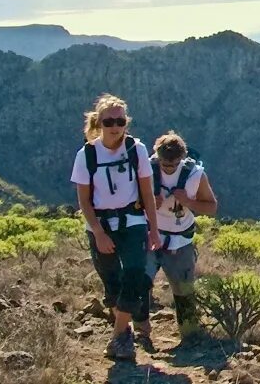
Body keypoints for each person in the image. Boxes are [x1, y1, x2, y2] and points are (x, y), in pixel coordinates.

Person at [71, 93, 161, 360]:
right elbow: (84, 200)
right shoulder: (86, 155)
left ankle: (119, 336)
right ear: (99, 123)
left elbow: (147, 193)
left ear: (126, 122)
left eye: (120, 121)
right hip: (101, 224)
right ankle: (124, 333)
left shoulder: (137, 151)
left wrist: (153, 229)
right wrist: (98, 232)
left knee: (134, 274)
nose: (115, 127)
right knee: (112, 283)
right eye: (109, 122)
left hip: (132, 222)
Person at [134, 132, 218, 349]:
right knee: (140, 284)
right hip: (150, 235)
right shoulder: (146, 170)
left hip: (180, 241)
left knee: (184, 291)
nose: (168, 168)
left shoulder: (195, 175)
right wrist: (147, 202)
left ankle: (189, 337)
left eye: (173, 164)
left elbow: (211, 207)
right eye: (164, 164)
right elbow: (130, 202)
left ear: (182, 158)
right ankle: (141, 334)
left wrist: (188, 201)